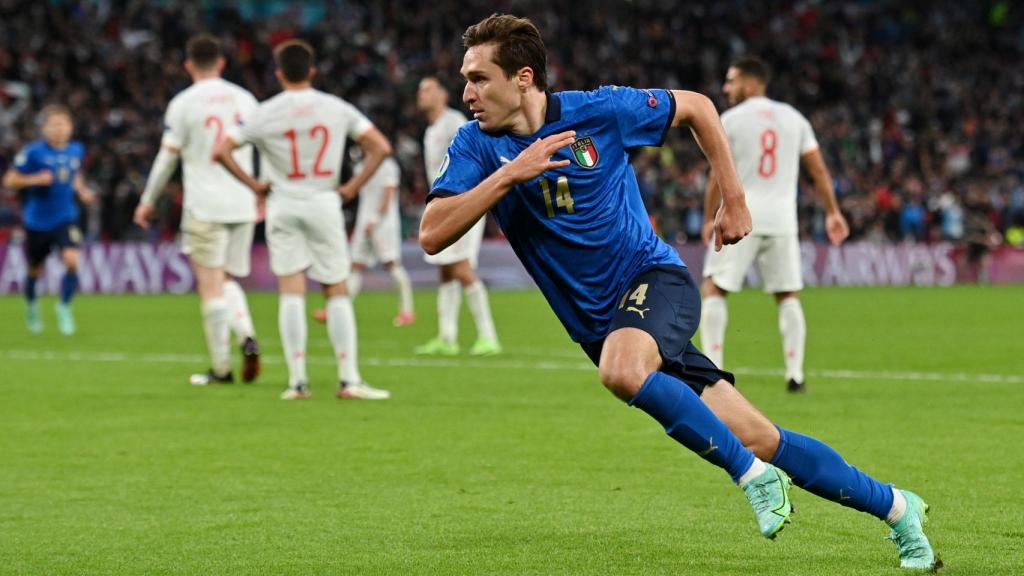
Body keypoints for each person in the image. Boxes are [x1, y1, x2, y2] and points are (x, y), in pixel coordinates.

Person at [419, 14, 936, 570]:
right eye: (465, 80)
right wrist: (507, 176)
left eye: (478, 78)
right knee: (760, 435)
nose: (467, 93)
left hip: (654, 283)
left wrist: (734, 197)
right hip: (608, 327)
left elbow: (697, 107)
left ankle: (754, 479)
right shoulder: (476, 145)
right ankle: (899, 508)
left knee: (621, 373)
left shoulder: (600, 110)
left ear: (523, 78)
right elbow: (431, 232)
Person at [215, 39, 392, 401]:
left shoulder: (264, 112)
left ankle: (297, 382)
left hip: (283, 201)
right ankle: (348, 379)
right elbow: (381, 147)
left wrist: (254, 185)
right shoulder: (336, 107)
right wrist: (352, 187)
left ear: (279, 73)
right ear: (312, 71)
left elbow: (221, 150)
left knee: (291, 290)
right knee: (336, 289)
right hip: (324, 199)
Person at [699, 56, 849, 393]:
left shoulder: (731, 119)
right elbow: (819, 171)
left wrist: (711, 216)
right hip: (782, 218)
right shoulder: (794, 119)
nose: (726, 88)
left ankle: (711, 372)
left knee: (714, 287)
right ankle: (795, 374)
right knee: (787, 295)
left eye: (731, 81)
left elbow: (716, 173)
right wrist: (832, 211)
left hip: (740, 215)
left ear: (750, 85)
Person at [133, 34, 262, 386]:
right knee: (228, 280)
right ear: (221, 62)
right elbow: (264, 147)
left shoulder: (183, 103)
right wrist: (261, 193)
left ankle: (222, 369)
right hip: (242, 203)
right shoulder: (245, 99)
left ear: (189, 65)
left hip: (205, 205)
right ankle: (247, 336)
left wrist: (147, 200)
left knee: (210, 286)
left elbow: (166, 158)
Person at [414, 76, 501, 356]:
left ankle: (489, 337)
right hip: (443, 206)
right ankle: (447, 337)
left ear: (441, 94)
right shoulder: (432, 130)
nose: (421, 94)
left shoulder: (453, 122)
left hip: (461, 204)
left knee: (461, 267)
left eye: (427, 89)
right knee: (446, 271)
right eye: (420, 90)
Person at [3, 104, 95, 335]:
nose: (59, 129)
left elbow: (74, 175)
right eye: (53, 125)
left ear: (71, 127)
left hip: (66, 217)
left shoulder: (76, 150)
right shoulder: (33, 152)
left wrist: (82, 190)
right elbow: (9, 180)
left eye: (63, 124)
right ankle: (32, 305)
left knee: (72, 260)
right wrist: (34, 179)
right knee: (35, 269)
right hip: (37, 221)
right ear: (44, 128)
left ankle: (64, 307)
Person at [345, 155, 416, 324]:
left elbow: (389, 193)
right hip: (364, 222)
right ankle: (342, 308)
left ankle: (407, 311)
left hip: (384, 223)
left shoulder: (387, 165)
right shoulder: (360, 165)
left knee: (391, 263)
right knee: (355, 264)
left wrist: (376, 219)